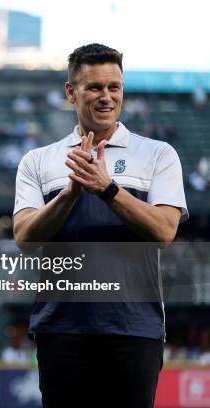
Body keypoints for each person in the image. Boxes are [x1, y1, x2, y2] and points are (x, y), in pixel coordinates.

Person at [13, 44, 187, 407]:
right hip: (61, 329)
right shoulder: (39, 161)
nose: (106, 97)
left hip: (134, 328)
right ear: (70, 92)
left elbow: (164, 231)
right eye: (94, 87)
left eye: (114, 87)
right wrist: (71, 192)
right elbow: (25, 237)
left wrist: (107, 189)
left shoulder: (158, 154)